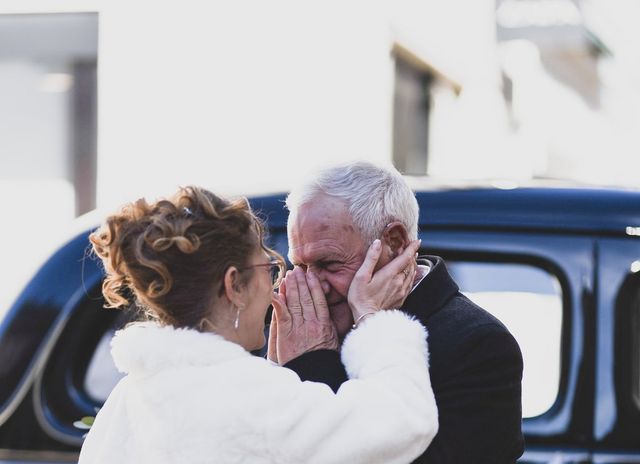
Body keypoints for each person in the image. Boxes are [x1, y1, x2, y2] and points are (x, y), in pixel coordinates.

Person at [78, 185, 438, 464]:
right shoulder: (251, 398)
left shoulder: (125, 400)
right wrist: (374, 318)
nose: (279, 286)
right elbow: (405, 421)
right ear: (234, 284)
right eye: (269, 269)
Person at [276, 162, 524, 463]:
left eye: (329, 264)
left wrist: (314, 364)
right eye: (299, 266)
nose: (312, 285)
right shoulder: (297, 327)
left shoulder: (479, 345)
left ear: (394, 242)